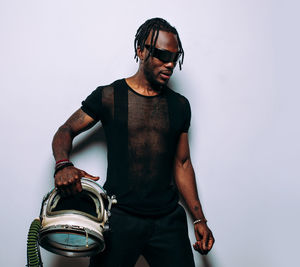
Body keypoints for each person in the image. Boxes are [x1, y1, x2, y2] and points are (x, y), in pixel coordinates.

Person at [52, 17, 214, 267]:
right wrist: (63, 164)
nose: (169, 64)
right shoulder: (109, 96)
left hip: (168, 221)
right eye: (161, 55)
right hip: (119, 219)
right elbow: (66, 130)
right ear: (141, 51)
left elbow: (182, 164)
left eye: (175, 57)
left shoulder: (180, 106)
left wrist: (199, 220)